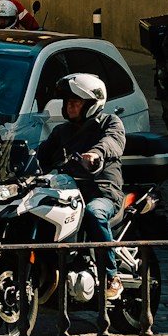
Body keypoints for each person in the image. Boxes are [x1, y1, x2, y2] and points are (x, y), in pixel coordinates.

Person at [37, 72, 127, 301]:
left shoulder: (110, 122)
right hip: (68, 193)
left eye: (75, 103)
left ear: (91, 104)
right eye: (68, 103)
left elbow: (112, 143)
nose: (70, 107)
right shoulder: (61, 131)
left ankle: (111, 276)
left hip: (103, 192)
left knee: (93, 213)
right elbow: (41, 156)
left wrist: (96, 154)